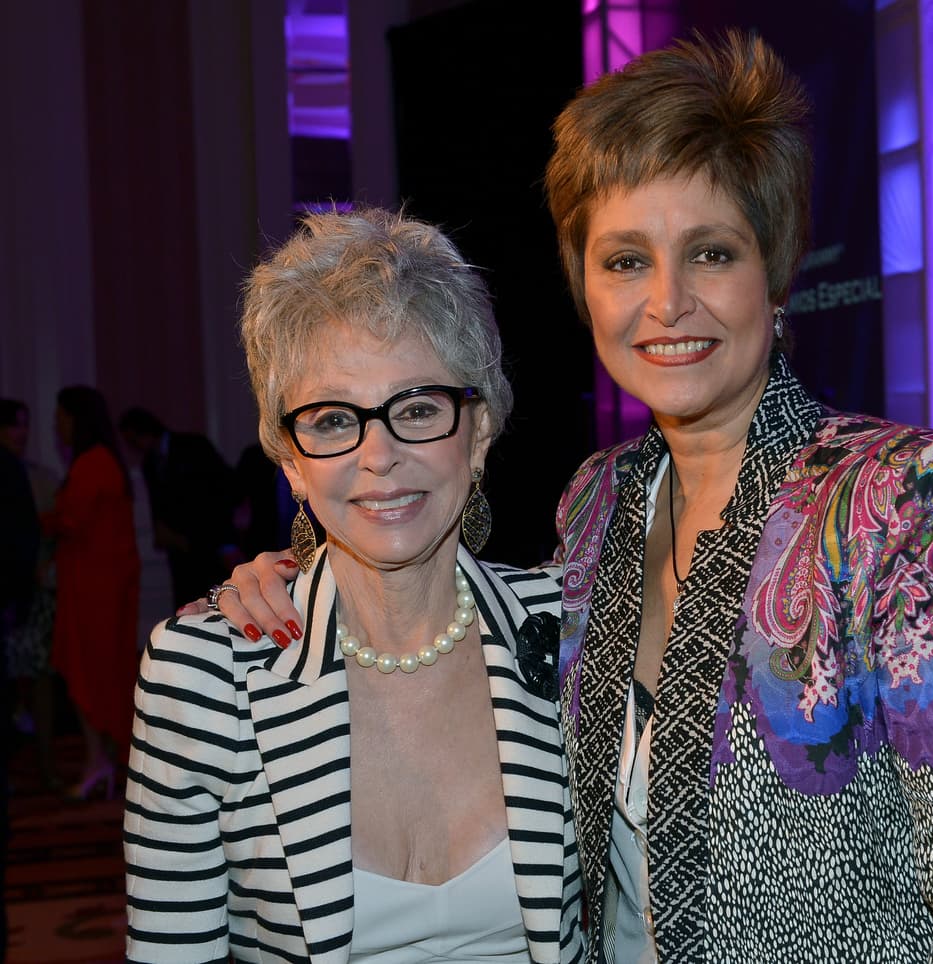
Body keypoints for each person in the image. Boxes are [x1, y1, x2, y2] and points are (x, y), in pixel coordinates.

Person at [209, 31, 933, 963]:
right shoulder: (599, 501)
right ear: (585, 288)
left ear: (775, 275)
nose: (667, 302)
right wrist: (303, 569)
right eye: (625, 260)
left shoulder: (906, 500)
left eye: (710, 253)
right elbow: (451, 585)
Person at [124, 209, 582, 962]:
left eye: (418, 409)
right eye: (334, 420)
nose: (381, 455)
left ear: (479, 435)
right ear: (291, 460)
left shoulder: (575, 633)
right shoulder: (203, 673)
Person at [46, 386, 141, 798]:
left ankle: (96, 761)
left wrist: (42, 516)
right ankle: (100, 760)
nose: (57, 426)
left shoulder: (92, 464)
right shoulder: (104, 462)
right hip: (100, 585)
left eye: (61, 417)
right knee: (102, 672)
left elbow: (69, 520)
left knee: (90, 672)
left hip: (94, 589)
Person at [118, 405, 240, 608]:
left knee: (215, 603)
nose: (135, 447)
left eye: (134, 440)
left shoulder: (193, 446)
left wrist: (225, 542)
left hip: (207, 541)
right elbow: (158, 503)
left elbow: (220, 491)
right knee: (187, 603)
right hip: (178, 551)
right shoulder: (149, 463)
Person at [1, 399, 61, 790]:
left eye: (24, 426)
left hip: (32, 594)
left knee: (37, 677)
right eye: (12, 426)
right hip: (12, 593)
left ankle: (44, 764)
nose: (20, 434)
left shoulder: (41, 478)